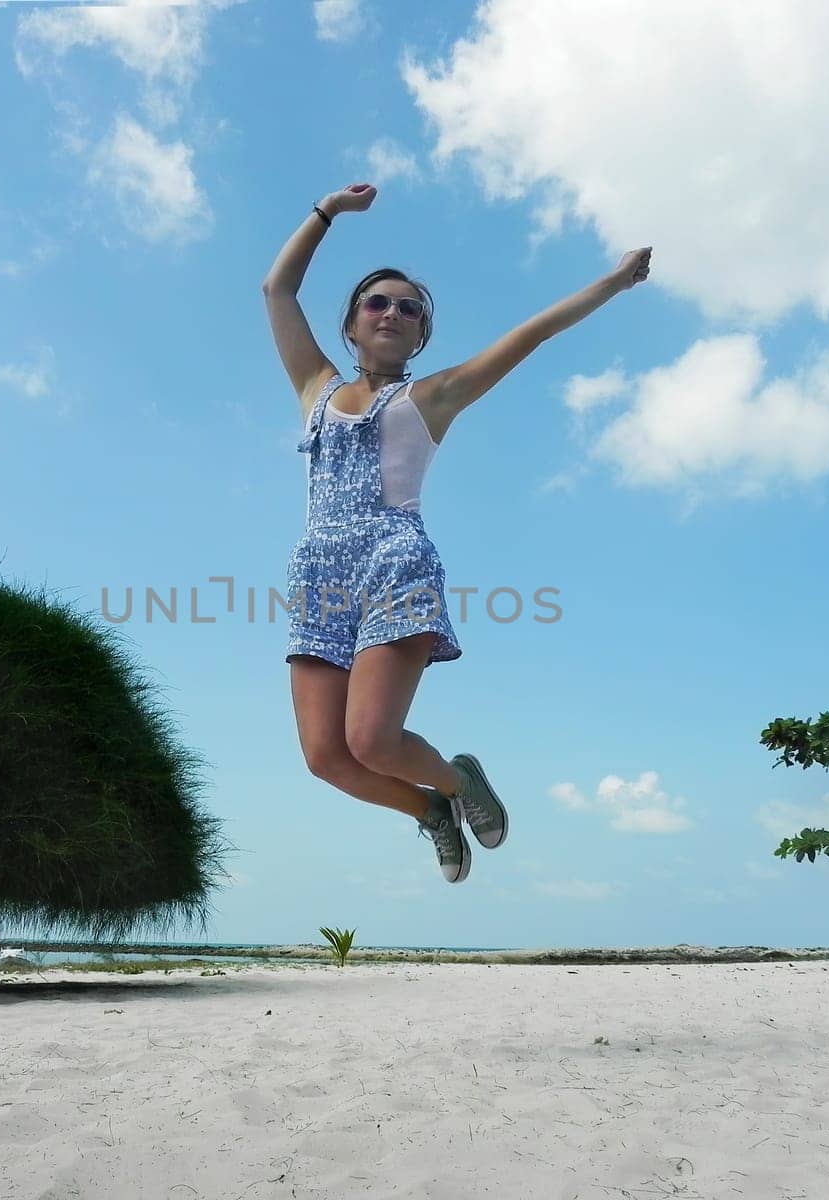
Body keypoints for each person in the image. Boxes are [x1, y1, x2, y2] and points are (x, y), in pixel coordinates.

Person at [262, 180, 651, 884]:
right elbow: (277, 291)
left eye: (408, 308)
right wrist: (325, 212)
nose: (392, 312)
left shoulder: (430, 396)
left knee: (371, 739)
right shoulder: (315, 389)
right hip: (319, 577)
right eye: (376, 302)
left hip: (394, 563)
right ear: (351, 325)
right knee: (325, 756)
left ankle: (461, 784)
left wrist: (613, 284)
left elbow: (530, 334)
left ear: (419, 333)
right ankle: (430, 810)